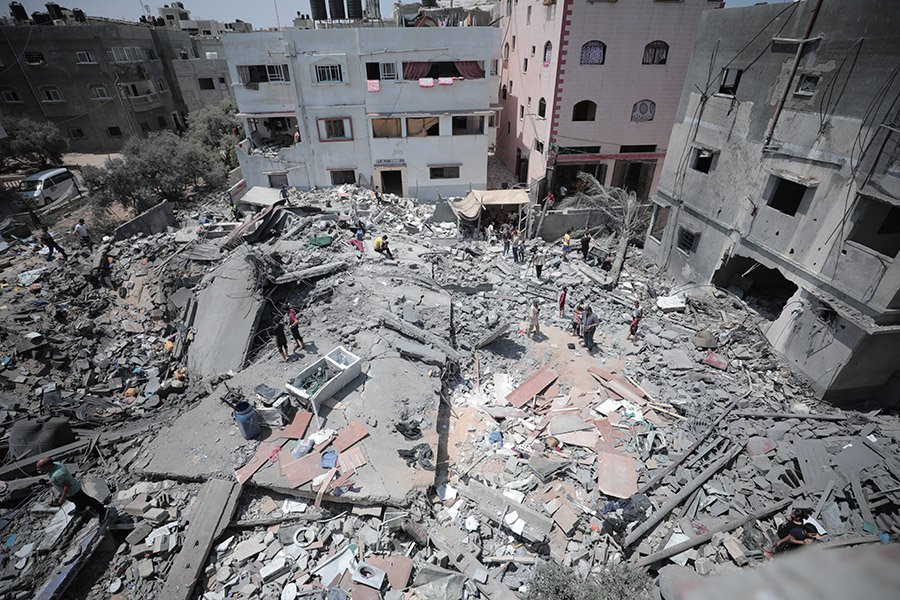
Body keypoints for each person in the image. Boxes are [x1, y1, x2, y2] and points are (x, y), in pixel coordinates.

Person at [36, 457, 106, 518]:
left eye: (41, 468)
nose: (39, 470)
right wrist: (51, 483)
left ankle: (102, 510)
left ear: (48, 466)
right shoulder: (55, 465)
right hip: (70, 492)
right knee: (75, 501)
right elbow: (60, 480)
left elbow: (67, 485)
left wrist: (62, 498)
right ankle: (80, 508)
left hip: (73, 491)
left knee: (87, 500)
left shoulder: (58, 474)